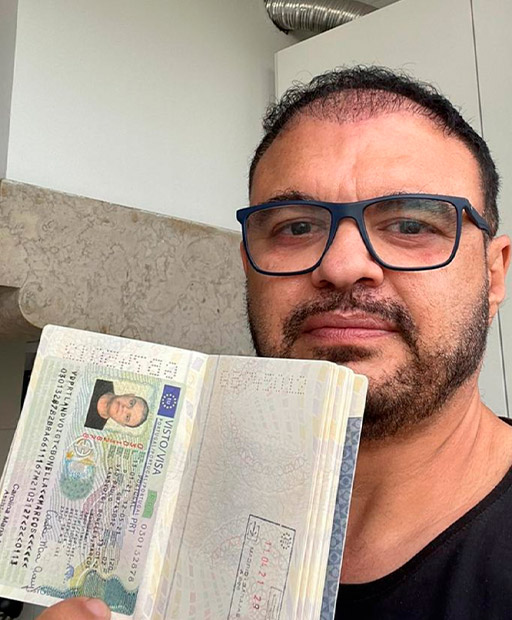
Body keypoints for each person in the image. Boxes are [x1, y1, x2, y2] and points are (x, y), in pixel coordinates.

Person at [38, 66, 511, 619]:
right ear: (249, 266)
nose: (342, 266)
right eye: (296, 228)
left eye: (410, 225)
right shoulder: (172, 524)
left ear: (494, 274)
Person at [84, 378, 149, 429]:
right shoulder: (103, 380)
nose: (125, 408)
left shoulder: (92, 427)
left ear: (121, 423)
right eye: (131, 403)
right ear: (129, 394)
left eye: (127, 417)